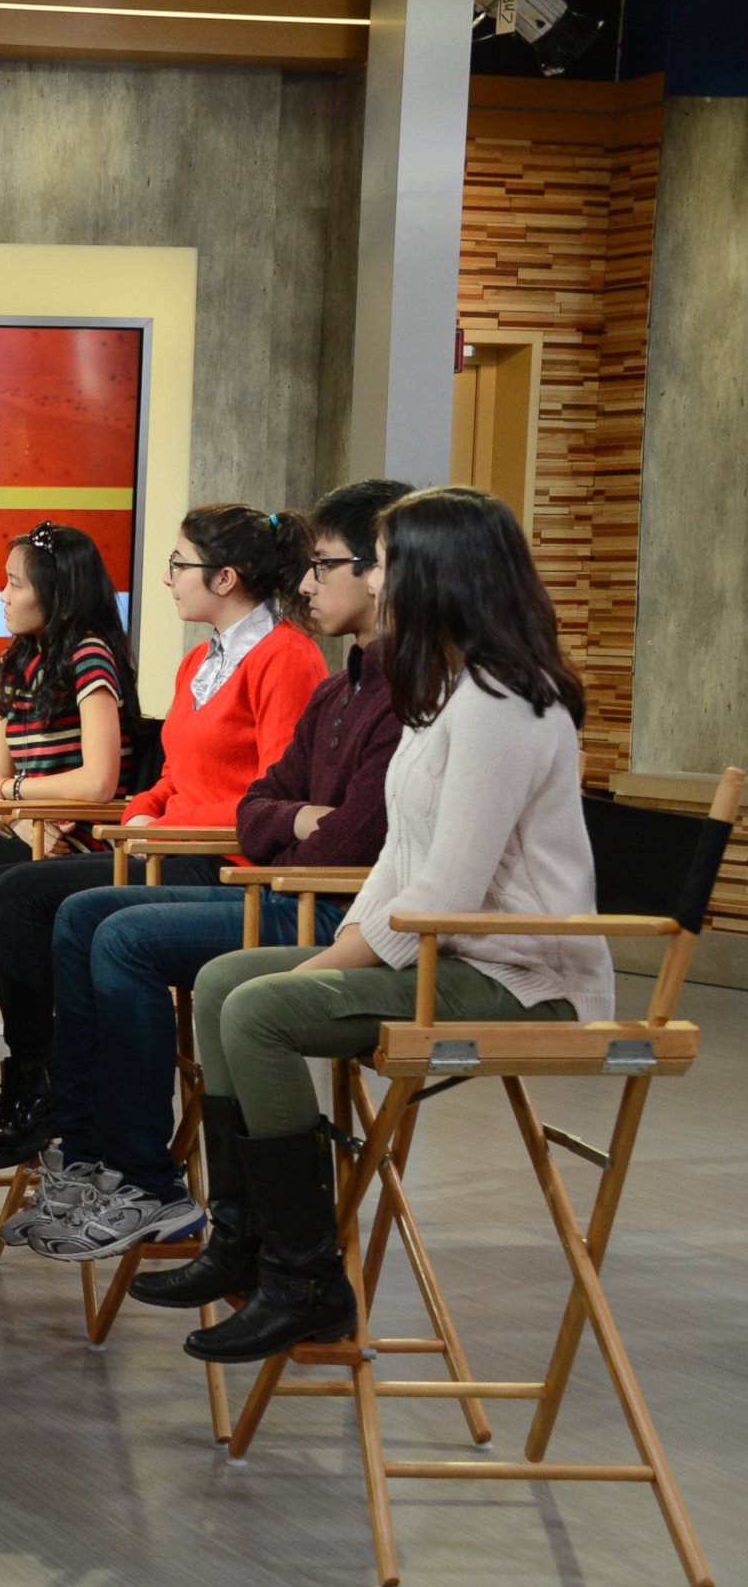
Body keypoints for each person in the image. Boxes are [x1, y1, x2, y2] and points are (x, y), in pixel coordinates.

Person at [160, 486, 610, 1363]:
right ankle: (243, 1237)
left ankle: (306, 1279)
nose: (377, 579)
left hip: (522, 978)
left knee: (258, 1010)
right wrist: (329, 955)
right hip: (450, 952)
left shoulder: (503, 703)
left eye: (389, 563)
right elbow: (401, 861)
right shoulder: (444, 691)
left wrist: (326, 970)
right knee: (226, 982)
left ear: (441, 574)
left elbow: (448, 885)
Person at [12, 479, 412, 1261]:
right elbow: (260, 797)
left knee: (108, 931)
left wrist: (271, 826)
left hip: (279, 886)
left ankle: (154, 1179)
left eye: (178, 563)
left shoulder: (308, 665)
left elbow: (332, 836)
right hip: (255, 867)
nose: (307, 583)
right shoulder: (325, 682)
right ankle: (86, 1140)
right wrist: (150, 814)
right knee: (53, 908)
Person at [0, 503, 330, 1170]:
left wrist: (158, 827)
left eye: (179, 564)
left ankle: (77, 1116)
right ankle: (64, 1108)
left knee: (31, 899)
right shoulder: (199, 661)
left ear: (225, 578)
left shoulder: (287, 658)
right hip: (169, 847)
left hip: (228, 864)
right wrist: (144, 814)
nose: (169, 579)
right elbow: (174, 774)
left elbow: (276, 800)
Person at [0, 521, 135, 889]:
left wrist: (6, 795)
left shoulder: (89, 655)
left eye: (15, 584)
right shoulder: (11, 665)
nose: (3, 596)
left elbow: (98, 783)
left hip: (75, 843)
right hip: (26, 827)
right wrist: (19, 822)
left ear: (56, 595)